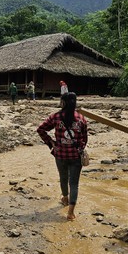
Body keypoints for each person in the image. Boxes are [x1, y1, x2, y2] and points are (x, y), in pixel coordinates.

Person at [36, 92, 88, 221]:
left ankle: (65, 198)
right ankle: (71, 213)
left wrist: (51, 143)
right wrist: (80, 149)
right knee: (74, 183)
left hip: (60, 154)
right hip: (76, 155)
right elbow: (85, 138)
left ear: (63, 102)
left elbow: (41, 130)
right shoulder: (81, 118)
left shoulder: (55, 117)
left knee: (63, 178)